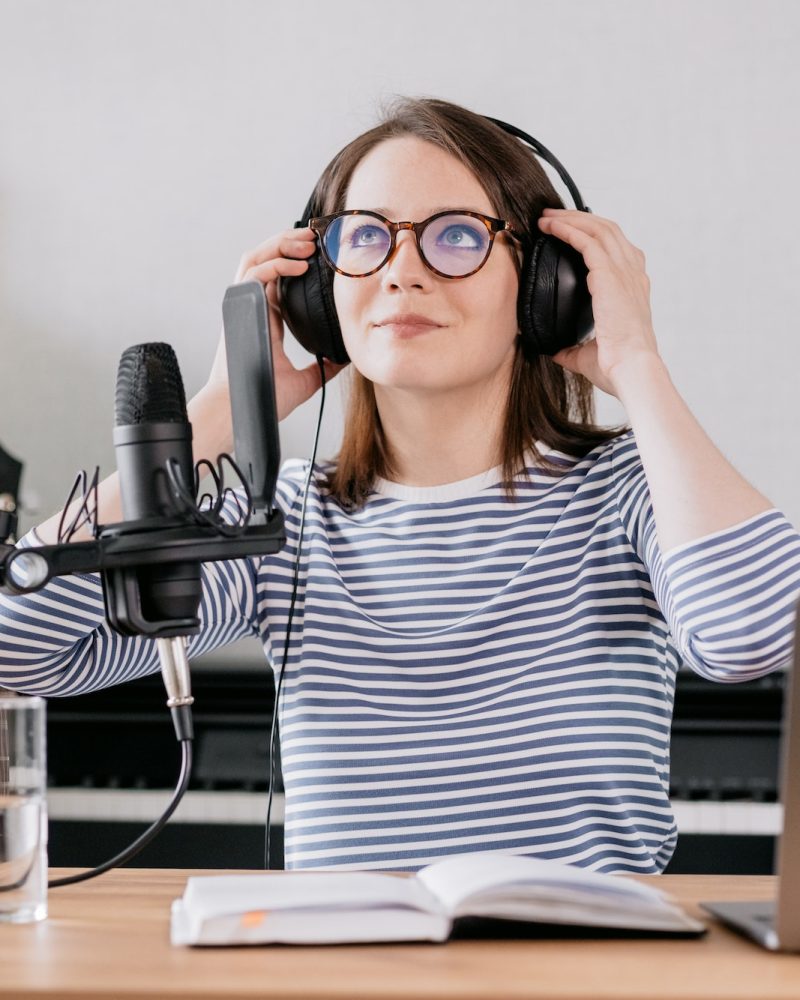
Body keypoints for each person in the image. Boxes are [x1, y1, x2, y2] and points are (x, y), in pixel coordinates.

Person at [1, 97, 799, 873]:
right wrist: (220, 412)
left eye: (457, 236)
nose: (402, 272)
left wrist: (637, 364)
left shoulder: (630, 492)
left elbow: (751, 636)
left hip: (575, 953)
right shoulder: (284, 518)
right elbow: (14, 652)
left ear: (545, 286)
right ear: (318, 292)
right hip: (350, 952)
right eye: (366, 236)